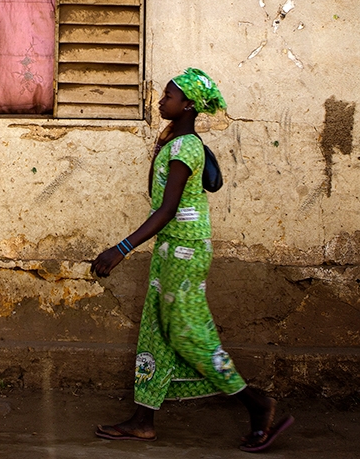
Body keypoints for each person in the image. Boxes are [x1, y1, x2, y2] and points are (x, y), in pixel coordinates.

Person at [91, 68, 293, 452]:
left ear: (186, 105)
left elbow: (167, 210)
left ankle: (257, 404)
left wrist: (120, 249)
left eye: (168, 96)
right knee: (157, 332)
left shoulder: (186, 148)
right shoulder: (174, 142)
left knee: (189, 333)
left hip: (185, 250)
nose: (161, 101)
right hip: (170, 249)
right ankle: (142, 420)